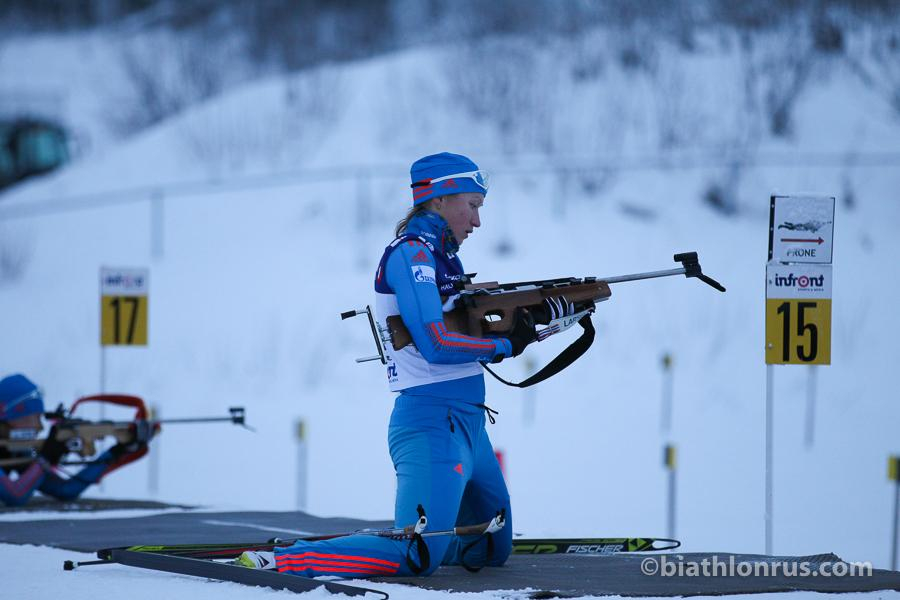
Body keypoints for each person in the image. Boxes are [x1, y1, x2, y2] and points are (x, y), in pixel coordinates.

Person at [240, 152, 538, 576]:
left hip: (471, 427)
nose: (477, 221)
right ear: (439, 199)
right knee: (417, 555)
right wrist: (504, 347)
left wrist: (539, 321)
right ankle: (284, 559)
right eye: (472, 206)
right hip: (431, 424)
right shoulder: (410, 255)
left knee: (489, 549)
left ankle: (410, 536)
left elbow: (463, 324)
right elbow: (436, 344)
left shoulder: (444, 258)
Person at [0, 373, 146, 506]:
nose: (39, 427)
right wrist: (45, 458)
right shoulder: (16, 449)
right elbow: (15, 495)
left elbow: (66, 490)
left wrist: (117, 450)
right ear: (7, 418)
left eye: (39, 418)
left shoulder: (16, 449)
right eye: (30, 419)